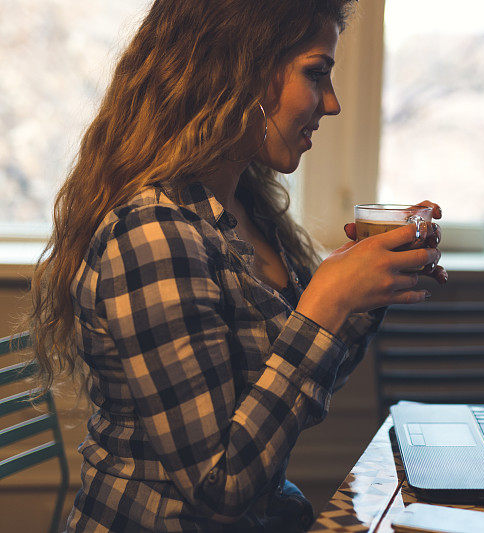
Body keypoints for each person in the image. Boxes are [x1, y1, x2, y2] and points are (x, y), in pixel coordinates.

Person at [27, 1, 446, 531]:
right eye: (316, 73)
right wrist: (327, 304)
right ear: (238, 69)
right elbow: (220, 485)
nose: (333, 104)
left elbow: (286, 394)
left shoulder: (239, 208)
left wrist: (366, 286)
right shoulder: (154, 234)